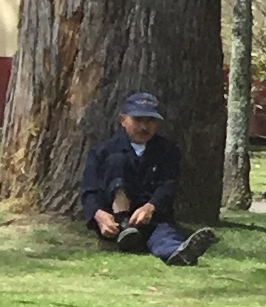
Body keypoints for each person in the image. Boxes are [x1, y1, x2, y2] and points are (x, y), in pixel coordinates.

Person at [80, 90, 206, 264]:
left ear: (158, 123)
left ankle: (177, 253)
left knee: (164, 235)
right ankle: (123, 227)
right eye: (137, 120)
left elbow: (168, 185)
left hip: (150, 217)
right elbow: (89, 190)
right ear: (123, 120)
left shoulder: (167, 151)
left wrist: (150, 207)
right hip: (113, 221)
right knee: (117, 161)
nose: (144, 127)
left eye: (150, 121)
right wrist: (98, 215)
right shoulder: (103, 151)